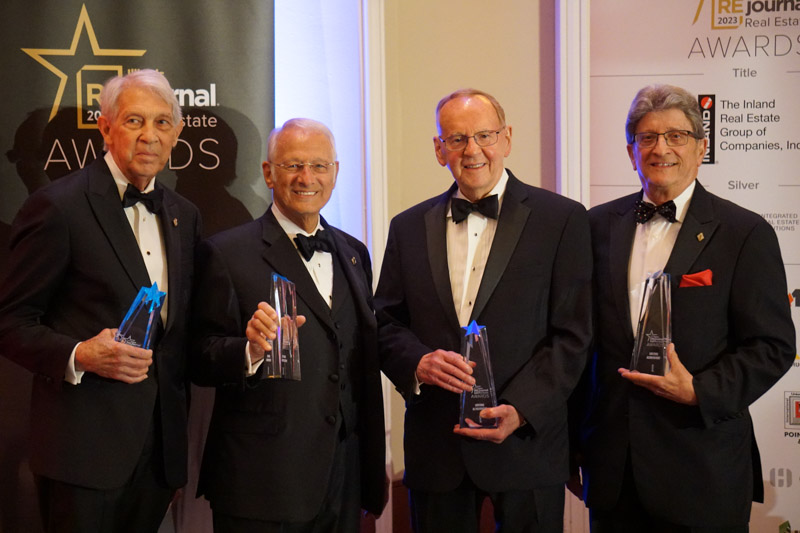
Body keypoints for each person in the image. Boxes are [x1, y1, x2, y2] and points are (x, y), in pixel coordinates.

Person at [572, 84, 795, 532]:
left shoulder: (744, 232)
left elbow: (772, 346)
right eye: (648, 137)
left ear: (701, 148)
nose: (661, 149)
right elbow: (576, 341)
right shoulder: (593, 226)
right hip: (614, 471)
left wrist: (699, 391)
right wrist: (571, 446)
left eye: (676, 136)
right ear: (631, 152)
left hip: (703, 469)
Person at [375, 88, 593, 532]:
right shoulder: (407, 226)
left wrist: (522, 408)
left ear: (506, 138)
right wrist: (417, 362)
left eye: (484, 136)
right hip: (438, 448)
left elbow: (574, 333)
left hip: (527, 445)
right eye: (456, 139)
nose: (471, 150)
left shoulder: (562, 219)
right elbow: (385, 322)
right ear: (439, 149)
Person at [0, 69, 202, 532]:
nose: (149, 135)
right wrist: (80, 354)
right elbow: (10, 321)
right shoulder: (58, 207)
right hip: (82, 456)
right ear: (106, 128)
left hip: (158, 456)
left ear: (177, 133)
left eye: (162, 122)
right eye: (134, 121)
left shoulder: (184, 216)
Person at [191, 118, 386, 532]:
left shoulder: (355, 253)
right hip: (262, 481)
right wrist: (248, 351)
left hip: (343, 477)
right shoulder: (225, 253)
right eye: (293, 165)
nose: (306, 178)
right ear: (268, 173)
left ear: (335, 172)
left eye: (319, 166)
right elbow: (197, 355)